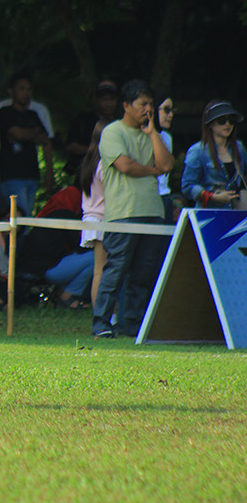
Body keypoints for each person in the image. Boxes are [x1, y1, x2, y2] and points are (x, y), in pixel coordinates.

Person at [91, 80, 173, 339]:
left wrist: (152, 134)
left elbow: (167, 165)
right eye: (143, 104)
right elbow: (125, 165)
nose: (148, 109)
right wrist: (152, 171)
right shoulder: (113, 132)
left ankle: (131, 325)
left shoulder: (153, 134)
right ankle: (101, 323)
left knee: (143, 273)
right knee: (116, 270)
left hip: (153, 211)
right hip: (124, 212)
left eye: (150, 104)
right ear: (126, 106)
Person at [0, 74, 55, 218]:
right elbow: (16, 134)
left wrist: (49, 172)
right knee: (18, 216)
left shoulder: (35, 113)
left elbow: (45, 139)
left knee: (25, 217)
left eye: (28, 89)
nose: (25, 93)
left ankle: (18, 240)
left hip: (31, 172)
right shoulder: (3, 111)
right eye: (21, 89)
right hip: (10, 172)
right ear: (11, 91)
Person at [180, 100, 247, 210]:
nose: (227, 124)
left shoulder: (239, 148)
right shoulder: (197, 151)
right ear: (210, 123)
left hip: (236, 212)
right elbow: (187, 185)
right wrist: (211, 196)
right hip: (210, 213)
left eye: (231, 120)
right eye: (221, 120)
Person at [63, 81, 118, 181]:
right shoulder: (83, 120)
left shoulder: (120, 123)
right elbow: (71, 146)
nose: (108, 103)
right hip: (86, 176)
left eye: (112, 99)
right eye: (104, 99)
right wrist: (98, 152)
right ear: (96, 100)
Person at [79, 120, 108, 306]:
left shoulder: (89, 161)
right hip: (102, 219)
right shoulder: (103, 164)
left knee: (100, 270)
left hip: (91, 218)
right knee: (102, 270)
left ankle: (102, 315)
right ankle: (103, 316)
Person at [154, 95, 177, 222]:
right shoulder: (142, 136)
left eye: (172, 111)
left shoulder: (167, 137)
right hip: (150, 198)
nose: (170, 115)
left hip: (165, 195)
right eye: (166, 110)